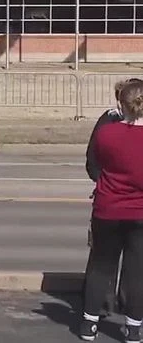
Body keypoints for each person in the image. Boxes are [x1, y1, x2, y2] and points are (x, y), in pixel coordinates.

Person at [78, 78, 143, 343]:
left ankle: (89, 324)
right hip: (139, 211)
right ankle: (134, 327)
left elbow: (98, 163)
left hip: (107, 208)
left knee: (100, 266)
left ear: (121, 103)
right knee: (137, 270)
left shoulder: (107, 133)